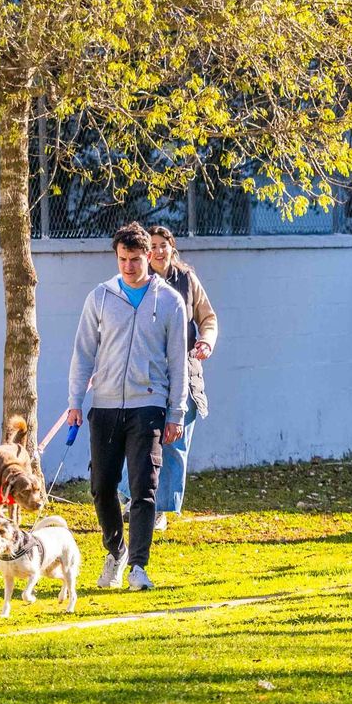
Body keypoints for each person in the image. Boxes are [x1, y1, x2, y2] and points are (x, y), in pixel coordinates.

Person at [67, 222, 189, 592]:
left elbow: (178, 362)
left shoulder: (170, 301)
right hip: (104, 406)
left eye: (136, 260)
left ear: (149, 257)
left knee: (144, 488)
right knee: (102, 487)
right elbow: (83, 353)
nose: (129, 267)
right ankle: (115, 551)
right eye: (123, 259)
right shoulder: (100, 298)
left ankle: (138, 566)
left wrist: (176, 412)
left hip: (148, 406)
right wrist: (75, 402)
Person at [141, 227, 218, 532]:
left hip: (185, 369)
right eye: (153, 246)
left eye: (164, 246)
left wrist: (206, 342)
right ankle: (133, 498)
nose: (159, 251)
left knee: (176, 439)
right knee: (139, 435)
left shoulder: (186, 279)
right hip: (147, 369)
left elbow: (207, 318)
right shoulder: (139, 280)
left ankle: (160, 508)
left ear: (173, 249)